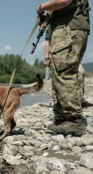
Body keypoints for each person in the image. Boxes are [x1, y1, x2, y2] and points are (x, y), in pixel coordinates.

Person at [36, 0, 90, 135]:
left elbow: (63, 1)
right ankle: (62, 119)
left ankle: (74, 120)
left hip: (68, 29)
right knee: (59, 71)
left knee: (64, 72)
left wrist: (40, 8)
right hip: (71, 28)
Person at [44, 26, 93, 108]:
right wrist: (46, 57)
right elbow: (47, 41)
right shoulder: (52, 23)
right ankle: (58, 102)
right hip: (57, 53)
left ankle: (80, 99)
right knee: (58, 78)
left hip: (70, 52)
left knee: (80, 73)